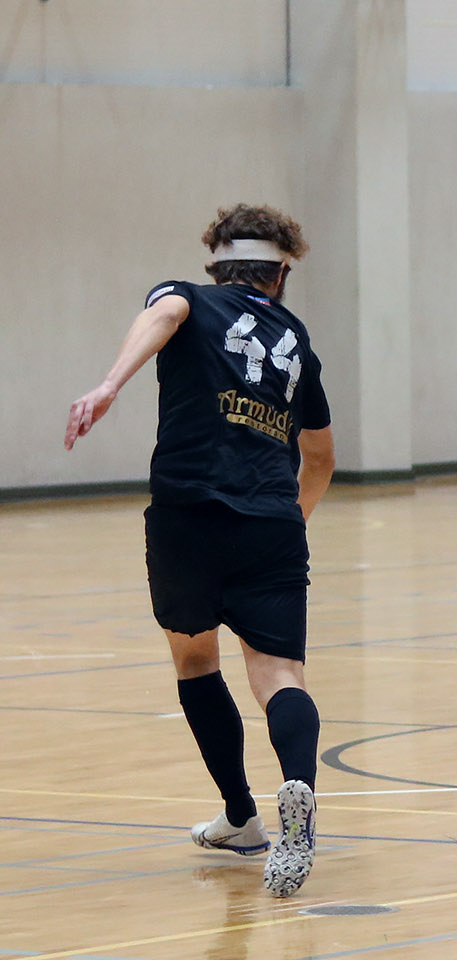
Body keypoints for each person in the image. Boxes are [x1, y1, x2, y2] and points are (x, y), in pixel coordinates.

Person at [64, 204, 333, 897]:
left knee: (194, 659)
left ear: (217, 267)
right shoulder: (297, 340)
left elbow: (166, 313)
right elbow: (320, 458)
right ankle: (298, 790)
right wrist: (290, 521)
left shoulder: (188, 297)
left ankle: (243, 816)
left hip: (188, 512)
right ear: (280, 275)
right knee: (279, 675)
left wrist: (110, 384)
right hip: (272, 520)